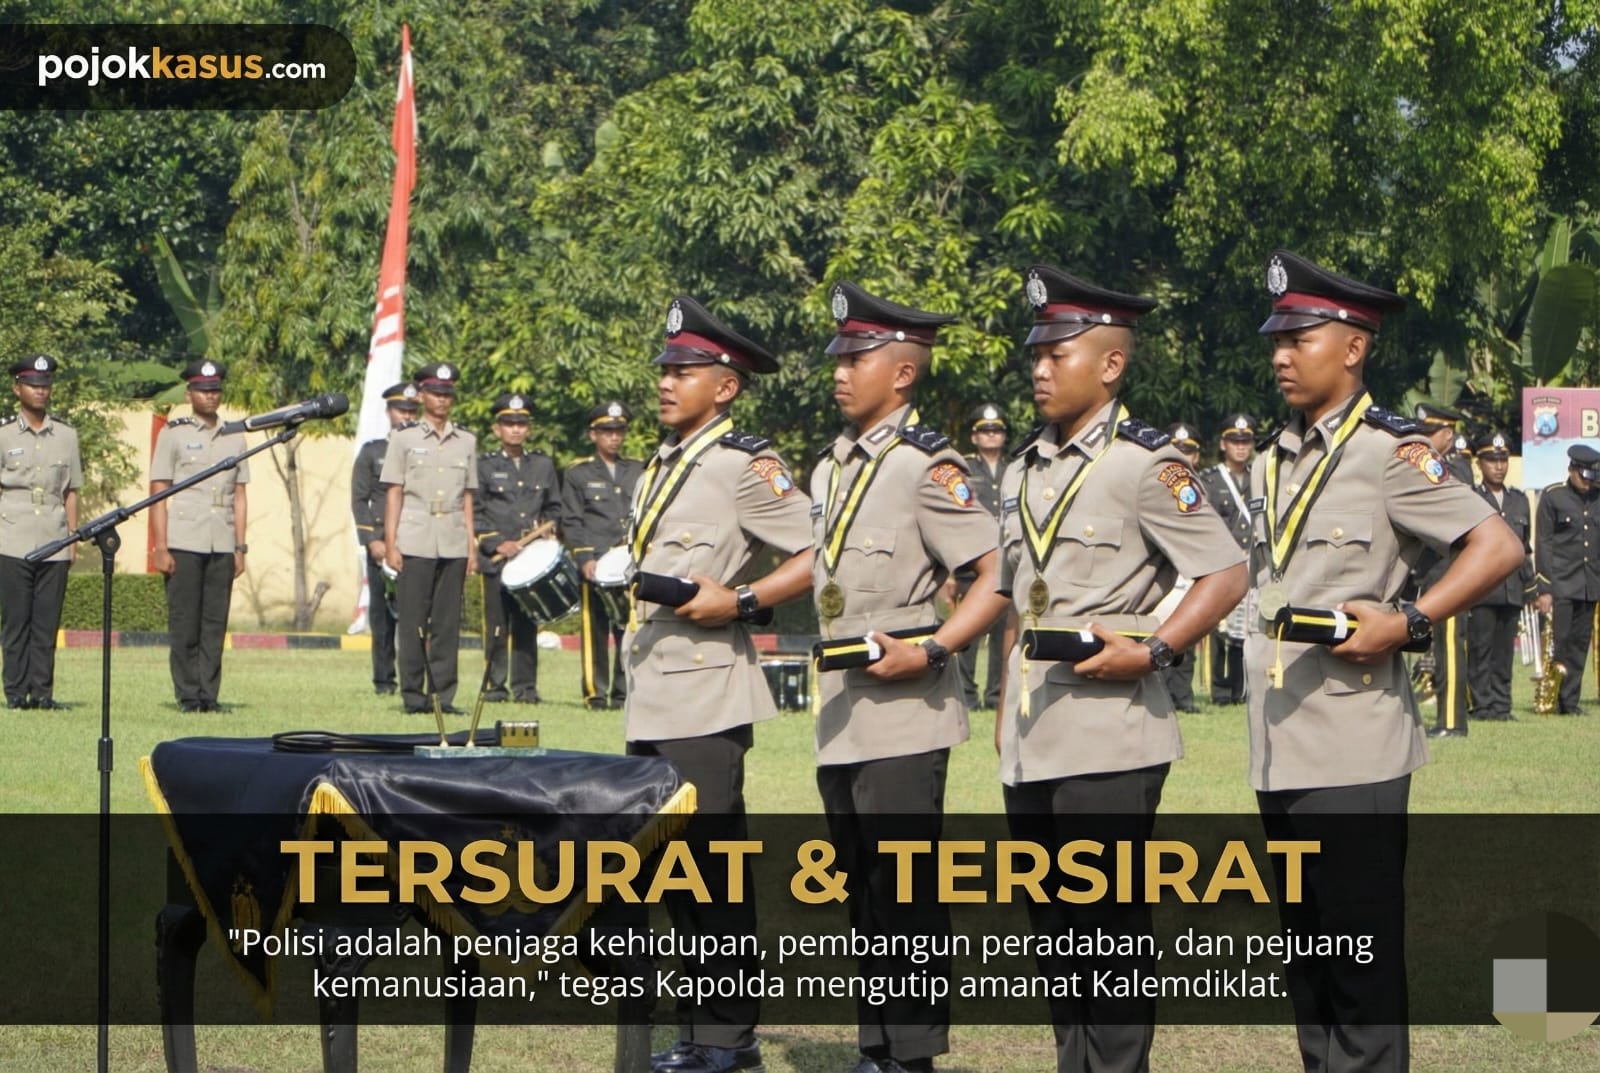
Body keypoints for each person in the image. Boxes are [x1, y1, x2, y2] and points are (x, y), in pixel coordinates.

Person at [1246, 250, 1521, 1073]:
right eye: (1277, 338)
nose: (1281, 354)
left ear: (1353, 346)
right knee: (1310, 969)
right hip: (1280, 741)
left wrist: (1408, 618)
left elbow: (1497, 543)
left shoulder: (1391, 453)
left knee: (1359, 969)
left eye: (1300, 336)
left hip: (1356, 744)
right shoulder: (1273, 455)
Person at [996, 265, 1246, 1073]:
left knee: (1106, 933)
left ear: (1110, 364)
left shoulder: (1149, 464)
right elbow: (1018, 603)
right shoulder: (1021, 468)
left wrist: (1158, 650)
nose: (1039, 368)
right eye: (1035, 354)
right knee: (1056, 937)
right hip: (1033, 735)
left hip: (1112, 735)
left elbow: (1225, 572)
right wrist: (1003, 717)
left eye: (1058, 353)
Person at [813, 282, 1010, 1073]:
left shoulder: (931, 467)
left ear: (901, 374)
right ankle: (878, 1045)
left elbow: (995, 575)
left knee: (905, 888)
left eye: (856, 358)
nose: (839, 371)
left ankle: (915, 1053)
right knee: (860, 885)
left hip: (904, 708)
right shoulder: (832, 467)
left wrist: (933, 649)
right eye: (838, 357)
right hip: (842, 709)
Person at [627, 296, 813, 1073]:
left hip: (705, 694)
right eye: (665, 368)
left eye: (685, 370)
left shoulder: (744, 465)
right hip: (654, 688)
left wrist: (741, 601)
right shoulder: (665, 462)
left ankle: (728, 1037)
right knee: (678, 872)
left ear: (726, 386)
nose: (667, 382)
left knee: (709, 870)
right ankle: (700, 1029)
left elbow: (816, 551)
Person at [150, 359, 249, 713]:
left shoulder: (235, 434)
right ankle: (188, 695)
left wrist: (240, 547)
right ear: (190, 392)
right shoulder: (174, 432)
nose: (210, 396)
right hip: (184, 539)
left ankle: (210, 694)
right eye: (203, 390)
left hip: (221, 540)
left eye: (215, 390)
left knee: (214, 623)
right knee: (185, 622)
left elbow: (239, 494)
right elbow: (159, 491)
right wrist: (160, 546)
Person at [381, 363, 477, 714]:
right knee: (413, 621)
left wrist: (471, 545)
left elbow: (468, 496)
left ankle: (443, 695)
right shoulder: (404, 439)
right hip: (415, 536)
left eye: (448, 394)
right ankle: (413, 694)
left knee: (448, 623)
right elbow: (394, 492)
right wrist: (391, 543)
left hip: (452, 538)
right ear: (421, 395)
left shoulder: (466, 441)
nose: (442, 400)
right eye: (436, 393)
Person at [0, 354, 82, 710]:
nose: (40, 391)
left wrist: (73, 537)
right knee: (16, 621)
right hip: (11, 537)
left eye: (45, 385)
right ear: (17, 388)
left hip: (54, 537)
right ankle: (16, 693)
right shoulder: (3, 433)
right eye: (33, 384)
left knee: (47, 622)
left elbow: (71, 491)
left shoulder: (66, 435)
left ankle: (43, 693)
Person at [476, 392, 560, 704]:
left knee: (526, 627)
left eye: (521, 424)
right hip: (497, 560)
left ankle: (526, 688)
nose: (515, 429)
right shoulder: (483, 466)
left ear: (528, 429)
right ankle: (494, 687)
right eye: (508, 423)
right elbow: (476, 511)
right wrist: (498, 542)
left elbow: (554, 508)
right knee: (496, 629)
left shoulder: (542, 464)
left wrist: (548, 532)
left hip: (529, 562)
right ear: (497, 429)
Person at [560, 400, 643, 710]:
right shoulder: (578, 473)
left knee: (628, 628)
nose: (614, 437)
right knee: (594, 629)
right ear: (593, 434)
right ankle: (595, 693)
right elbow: (572, 519)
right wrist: (584, 557)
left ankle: (623, 693)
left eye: (619, 430)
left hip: (628, 562)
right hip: (595, 560)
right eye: (607, 431)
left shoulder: (637, 469)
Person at [350, 381, 420, 696]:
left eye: (410, 410)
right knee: (381, 617)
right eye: (400, 410)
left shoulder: (424, 451)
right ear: (389, 412)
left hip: (416, 542)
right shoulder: (373, 451)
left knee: (415, 615)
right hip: (380, 542)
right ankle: (383, 680)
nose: (405, 416)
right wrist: (371, 541)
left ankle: (413, 679)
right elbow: (359, 499)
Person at [1413, 401, 1474, 737]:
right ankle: (1444, 716)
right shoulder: (1426, 462)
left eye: (1429, 432)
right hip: (1431, 570)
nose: (1422, 438)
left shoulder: (1453, 469)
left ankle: (1452, 721)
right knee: (1438, 647)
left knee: (1450, 645)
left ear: (1447, 434)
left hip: (1449, 569)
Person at [1466, 431, 1533, 721]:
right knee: (1481, 649)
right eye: (1492, 460)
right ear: (1479, 464)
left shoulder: (1518, 501)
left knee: (1505, 652)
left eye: (1503, 460)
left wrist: (1530, 586)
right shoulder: (1472, 499)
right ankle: (1481, 705)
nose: (1499, 466)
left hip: (1511, 589)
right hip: (1482, 588)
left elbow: (1524, 547)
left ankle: (1501, 704)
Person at [1533, 442, 1600, 716]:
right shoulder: (1553, 497)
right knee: (1558, 643)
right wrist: (1544, 587)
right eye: (1583, 476)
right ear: (1571, 470)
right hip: (1561, 583)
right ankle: (1551, 698)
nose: (1588, 483)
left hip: (1589, 584)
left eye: (1592, 478)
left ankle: (1570, 702)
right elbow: (1544, 543)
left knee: (1579, 645)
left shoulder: (1597, 498)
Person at [1198, 413, 1257, 704]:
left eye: (1246, 441)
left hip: (1253, 563)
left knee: (1248, 629)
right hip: (1224, 562)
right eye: (1235, 441)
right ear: (1224, 444)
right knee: (1220, 629)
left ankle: (1242, 689)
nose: (1241, 447)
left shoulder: (1259, 477)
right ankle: (1221, 692)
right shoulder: (1210, 480)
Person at [953, 402, 1008, 709]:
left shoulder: (1015, 468)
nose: (991, 435)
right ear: (974, 436)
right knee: (966, 635)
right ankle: (966, 694)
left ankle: (997, 695)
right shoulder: (962, 469)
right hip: (970, 565)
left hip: (1006, 565)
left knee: (1003, 636)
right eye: (985, 430)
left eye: (997, 430)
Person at [1156, 421, 1205, 713]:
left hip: (1194, 572)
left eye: (1188, 450)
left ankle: (1183, 695)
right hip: (1165, 572)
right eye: (1176, 448)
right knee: (1160, 633)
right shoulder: (1156, 483)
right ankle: (1161, 691)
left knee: (1190, 636)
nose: (1183, 454)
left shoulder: (1204, 487)